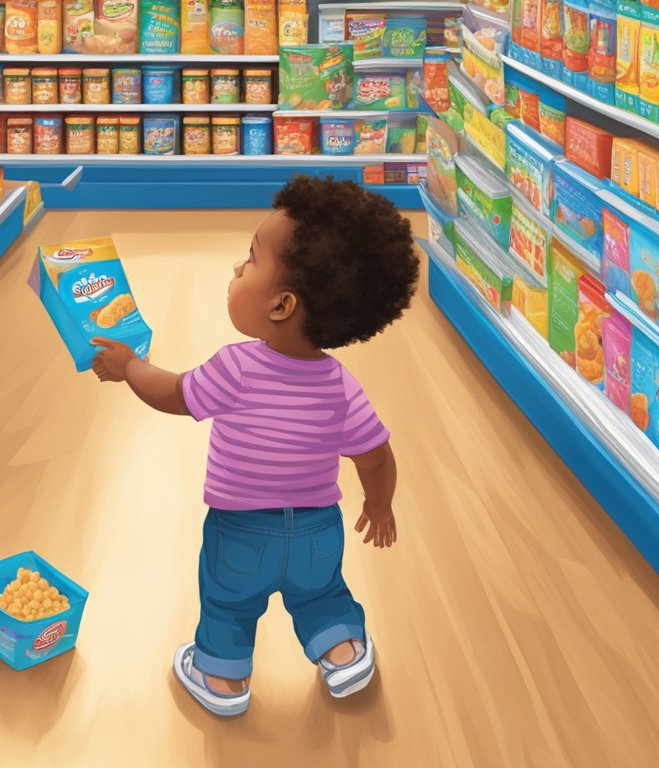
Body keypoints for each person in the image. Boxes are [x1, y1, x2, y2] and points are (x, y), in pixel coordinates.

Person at [90, 176, 419, 716]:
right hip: (317, 528)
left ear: (282, 305)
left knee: (227, 602)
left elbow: (174, 395)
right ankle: (344, 651)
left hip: (240, 529)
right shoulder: (340, 384)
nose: (236, 269)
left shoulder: (237, 368)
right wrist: (379, 504)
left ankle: (221, 682)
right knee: (321, 594)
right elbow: (375, 454)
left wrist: (129, 367)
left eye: (250, 260)